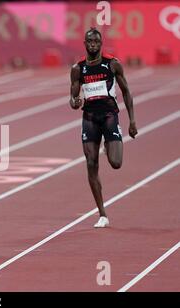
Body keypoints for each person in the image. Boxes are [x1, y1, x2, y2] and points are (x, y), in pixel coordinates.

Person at [70, 28, 138, 228]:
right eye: (89, 41)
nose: (93, 44)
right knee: (91, 164)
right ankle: (102, 214)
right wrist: (75, 101)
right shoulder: (78, 68)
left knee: (116, 162)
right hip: (90, 118)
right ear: (84, 43)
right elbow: (73, 97)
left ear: (101, 44)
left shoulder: (112, 64)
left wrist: (132, 121)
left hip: (109, 116)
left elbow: (126, 92)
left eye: (96, 42)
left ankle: (107, 145)